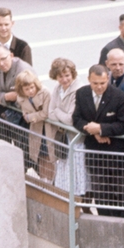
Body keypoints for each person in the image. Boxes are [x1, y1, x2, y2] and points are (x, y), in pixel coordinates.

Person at [73, 63, 124, 210]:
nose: (99, 87)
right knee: (100, 191)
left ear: (108, 79)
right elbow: (77, 119)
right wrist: (93, 131)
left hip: (116, 153)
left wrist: (101, 128)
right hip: (94, 151)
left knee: (121, 192)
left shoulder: (120, 97)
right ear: (88, 80)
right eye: (95, 83)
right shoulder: (81, 93)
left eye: (103, 83)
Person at [47, 58, 83, 195]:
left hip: (76, 140)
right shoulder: (57, 88)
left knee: (75, 178)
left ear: (72, 74)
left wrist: (57, 111)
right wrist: (57, 113)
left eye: (67, 75)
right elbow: (50, 113)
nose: (64, 79)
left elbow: (70, 119)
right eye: (60, 76)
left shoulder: (79, 89)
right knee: (63, 175)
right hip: (63, 139)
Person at [16, 69, 51, 174]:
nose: (30, 91)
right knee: (37, 153)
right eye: (27, 89)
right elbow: (24, 110)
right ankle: (43, 177)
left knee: (47, 154)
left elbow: (45, 113)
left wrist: (29, 117)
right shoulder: (21, 97)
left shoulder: (45, 92)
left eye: (32, 87)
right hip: (35, 128)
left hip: (46, 128)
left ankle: (48, 180)